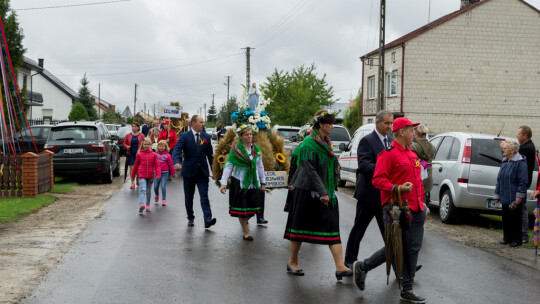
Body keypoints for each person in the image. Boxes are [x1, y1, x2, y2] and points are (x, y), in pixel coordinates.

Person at [353, 117, 426, 304]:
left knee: (413, 248)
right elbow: (377, 180)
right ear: (401, 132)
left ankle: (407, 288)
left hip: (416, 209)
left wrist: (422, 205)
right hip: (396, 209)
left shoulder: (412, 154)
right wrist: (398, 188)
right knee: (395, 247)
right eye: (411, 130)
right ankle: (363, 267)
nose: (414, 134)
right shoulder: (388, 154)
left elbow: (418, 182)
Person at [284, 110, 352, 280]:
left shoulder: (326, 142)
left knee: (331, 226)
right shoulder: (308, 143)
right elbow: (310, 170)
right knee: (299, 227)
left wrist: (327, 189)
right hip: (306, 190)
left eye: (332, 123)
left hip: (325, 190)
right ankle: (292, 262)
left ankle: (340, 266)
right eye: (328, 123)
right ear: (320, 124)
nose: (331, 126)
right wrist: (322, 191)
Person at [344, 110, 393, 268]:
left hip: (386, 196)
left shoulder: (391, 140)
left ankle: (401, 265)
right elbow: (364, 165)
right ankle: (349, 261)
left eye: (391, 123)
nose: (389, 126)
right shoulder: (367, 140)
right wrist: (385, 169)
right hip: (369, 195)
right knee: (359, 229)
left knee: (390, 233)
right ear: (377, 123)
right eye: (386, 123)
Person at [219, 126, 266, 240]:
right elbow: (229, 165)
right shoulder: (235, 151)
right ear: (241, 137)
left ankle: (244, 224)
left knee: (252, 209)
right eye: (247, 135)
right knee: (242, 211)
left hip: (253, 182)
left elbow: (260, 166)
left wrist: (263, 182)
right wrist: (223, 183)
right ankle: (246, 232)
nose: (250, 136)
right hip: (240, 182)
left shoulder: (256, 149)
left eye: (251, 134)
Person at [173, 115, 216, 228]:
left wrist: (214, 170)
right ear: (193, 123)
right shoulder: (184, 136)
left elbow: (210, 156)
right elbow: (177, 150)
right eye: (201, 122)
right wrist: (176, 162)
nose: (203, 124)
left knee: (204, 196)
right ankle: (190, 217)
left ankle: (207, 219)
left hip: (202, 172)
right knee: (189, 196)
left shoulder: (206, 136)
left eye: (203, 122)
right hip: (188, 171)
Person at [494, 139, 528, 247]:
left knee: (515, 219)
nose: (503, 150)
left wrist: (519, 195)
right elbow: (499, 179)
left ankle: (517, 240)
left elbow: (523, 181)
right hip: (505, 195)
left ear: (512, 150)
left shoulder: (520, 163)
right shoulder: (504, 162)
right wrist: (497, 194)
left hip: (514, 197)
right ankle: (507, 238)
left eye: (506, 148)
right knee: (506, 218)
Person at [131, 138, 161, 214]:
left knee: (148, 191)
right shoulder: (139, 154)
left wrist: (158, 174)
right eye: (145, 144)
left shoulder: (154, 155)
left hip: (150, 175)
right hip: (142, 175)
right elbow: (135, 165)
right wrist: (133, 176)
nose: (146, 146)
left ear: (150, 145)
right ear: (142, 145)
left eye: (148, 144)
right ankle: (141, 204)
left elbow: (157, 166)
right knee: (143, 189)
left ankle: (147, 205)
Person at [517, 126, 535, 243]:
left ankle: (523, 235)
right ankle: (518, 233)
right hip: (521, 181)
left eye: (519, 134)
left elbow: (516, 158)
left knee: (521, 208)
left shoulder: (527, 149)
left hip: (522, 182)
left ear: (525, 136)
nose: (517, 136)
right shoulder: (525, 147)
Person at [410, 124, 436, 206]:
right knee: (424, 201)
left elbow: (414, 161)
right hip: (429, 177)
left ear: (417, 135)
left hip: (418, 176)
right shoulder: (432, 146)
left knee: (417, 202)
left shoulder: (414, 146)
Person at [154, 140, 176, 206]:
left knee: (163, 186)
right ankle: (157, 194)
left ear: (165, 147)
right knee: (155, 187)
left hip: (164, 173)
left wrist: (173, 173)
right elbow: (152, 164)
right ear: (158, 147)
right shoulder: (155, 155)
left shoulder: (168, 156)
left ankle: (164, 200)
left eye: (162, 146)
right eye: (160, 146)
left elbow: (171, 165)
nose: (161, 147)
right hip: (157, 173)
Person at [124, 122, 145, 189]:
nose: (134, 128)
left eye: (135, 126)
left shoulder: (142, 135)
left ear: (138, 127)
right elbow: (124, 143)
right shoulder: (128, 135)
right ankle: (132, 182)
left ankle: (138, 180)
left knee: (139, 168)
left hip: (139, 154)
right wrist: (126, 146)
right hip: (131, 153)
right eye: (133, 126)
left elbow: (145, 143)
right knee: (132, 168)